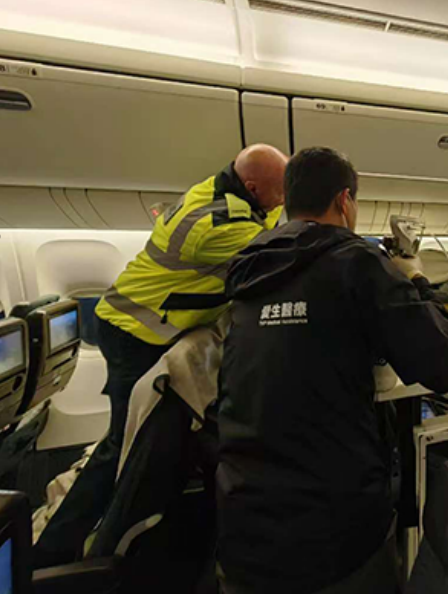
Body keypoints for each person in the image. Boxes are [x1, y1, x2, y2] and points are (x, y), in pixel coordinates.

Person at [217, 147, 448, 594]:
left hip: (242, 520)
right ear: (344, 200)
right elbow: (443, 366)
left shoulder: (249, 264)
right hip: (332, 532)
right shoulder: (357, 261)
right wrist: (415, 280)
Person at [34, 144, 289, 567]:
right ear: (252, 187)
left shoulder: (242, 198)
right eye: (280, 190)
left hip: (154, 327)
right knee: (123, 445)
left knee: (154, 438)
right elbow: (277, 253)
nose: (284, 199)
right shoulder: (212, 224)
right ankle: (51, 552)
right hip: (133, 329)